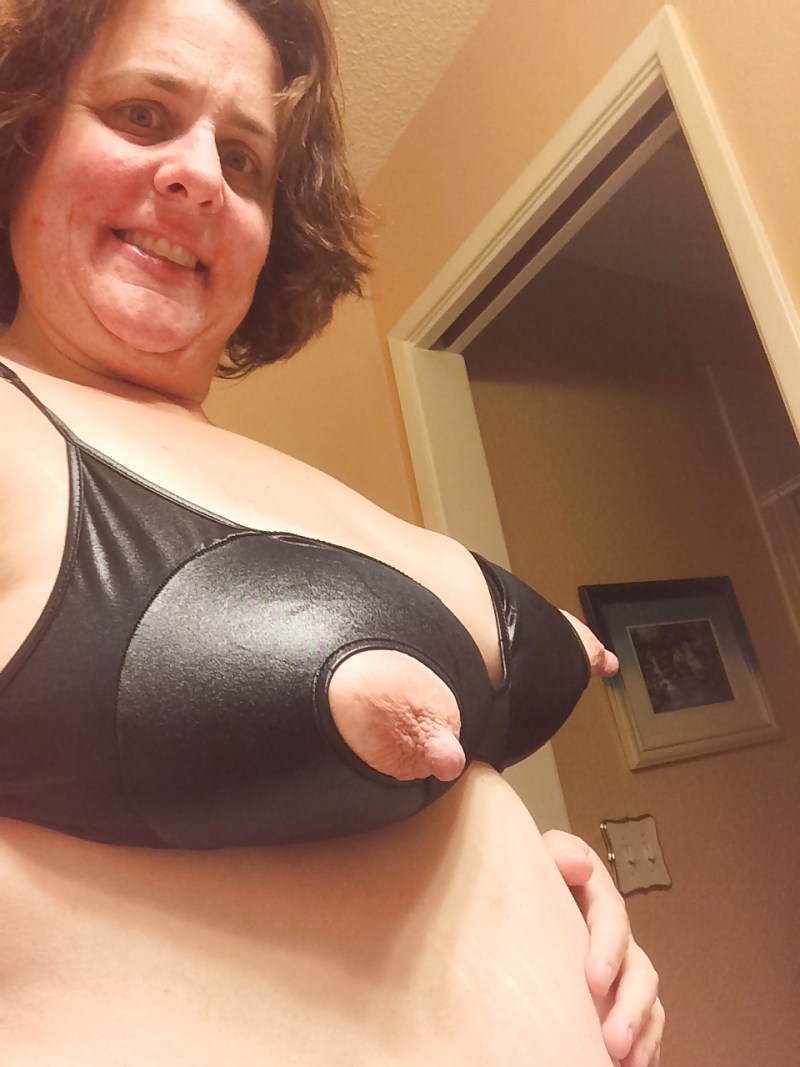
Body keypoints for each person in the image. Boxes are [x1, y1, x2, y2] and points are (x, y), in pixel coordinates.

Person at [0, 0, 663, 1063]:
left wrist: (533, 907)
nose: (200, 173)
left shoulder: (277, 480)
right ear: (24, 141)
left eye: (244, 159)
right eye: (141, 113)